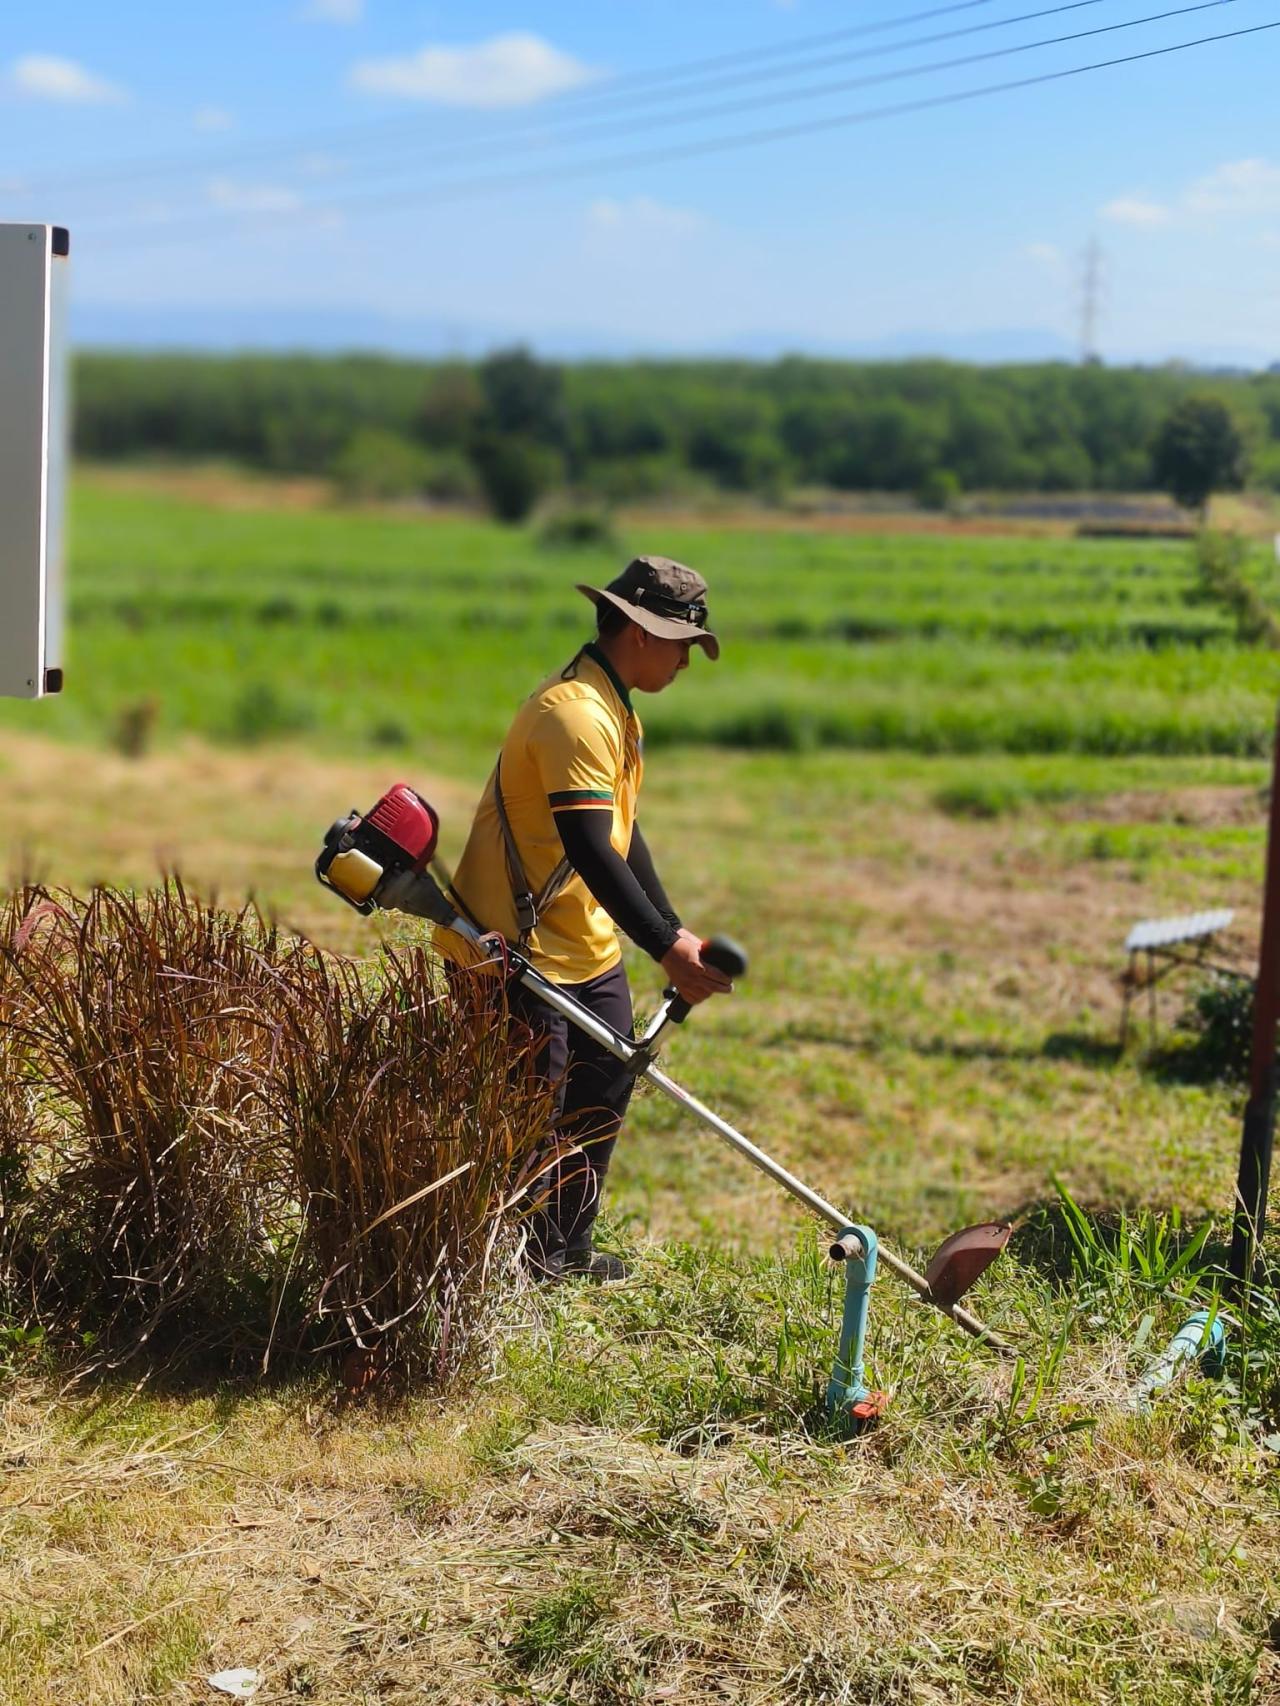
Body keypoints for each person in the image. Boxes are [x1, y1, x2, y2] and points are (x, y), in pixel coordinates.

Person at [389, 555, 733, 1282]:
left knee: (601, 1095)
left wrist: (671, 928)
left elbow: (618, 833)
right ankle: (497, 1273)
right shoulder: (574, 714)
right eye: (681, 644)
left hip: (582, 946)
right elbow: (586, 844)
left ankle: (559, 1257)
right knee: (527, 1122)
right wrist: (667, 950)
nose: (686, 662)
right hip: (515, 949)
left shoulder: (614, 710)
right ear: (640, 632)